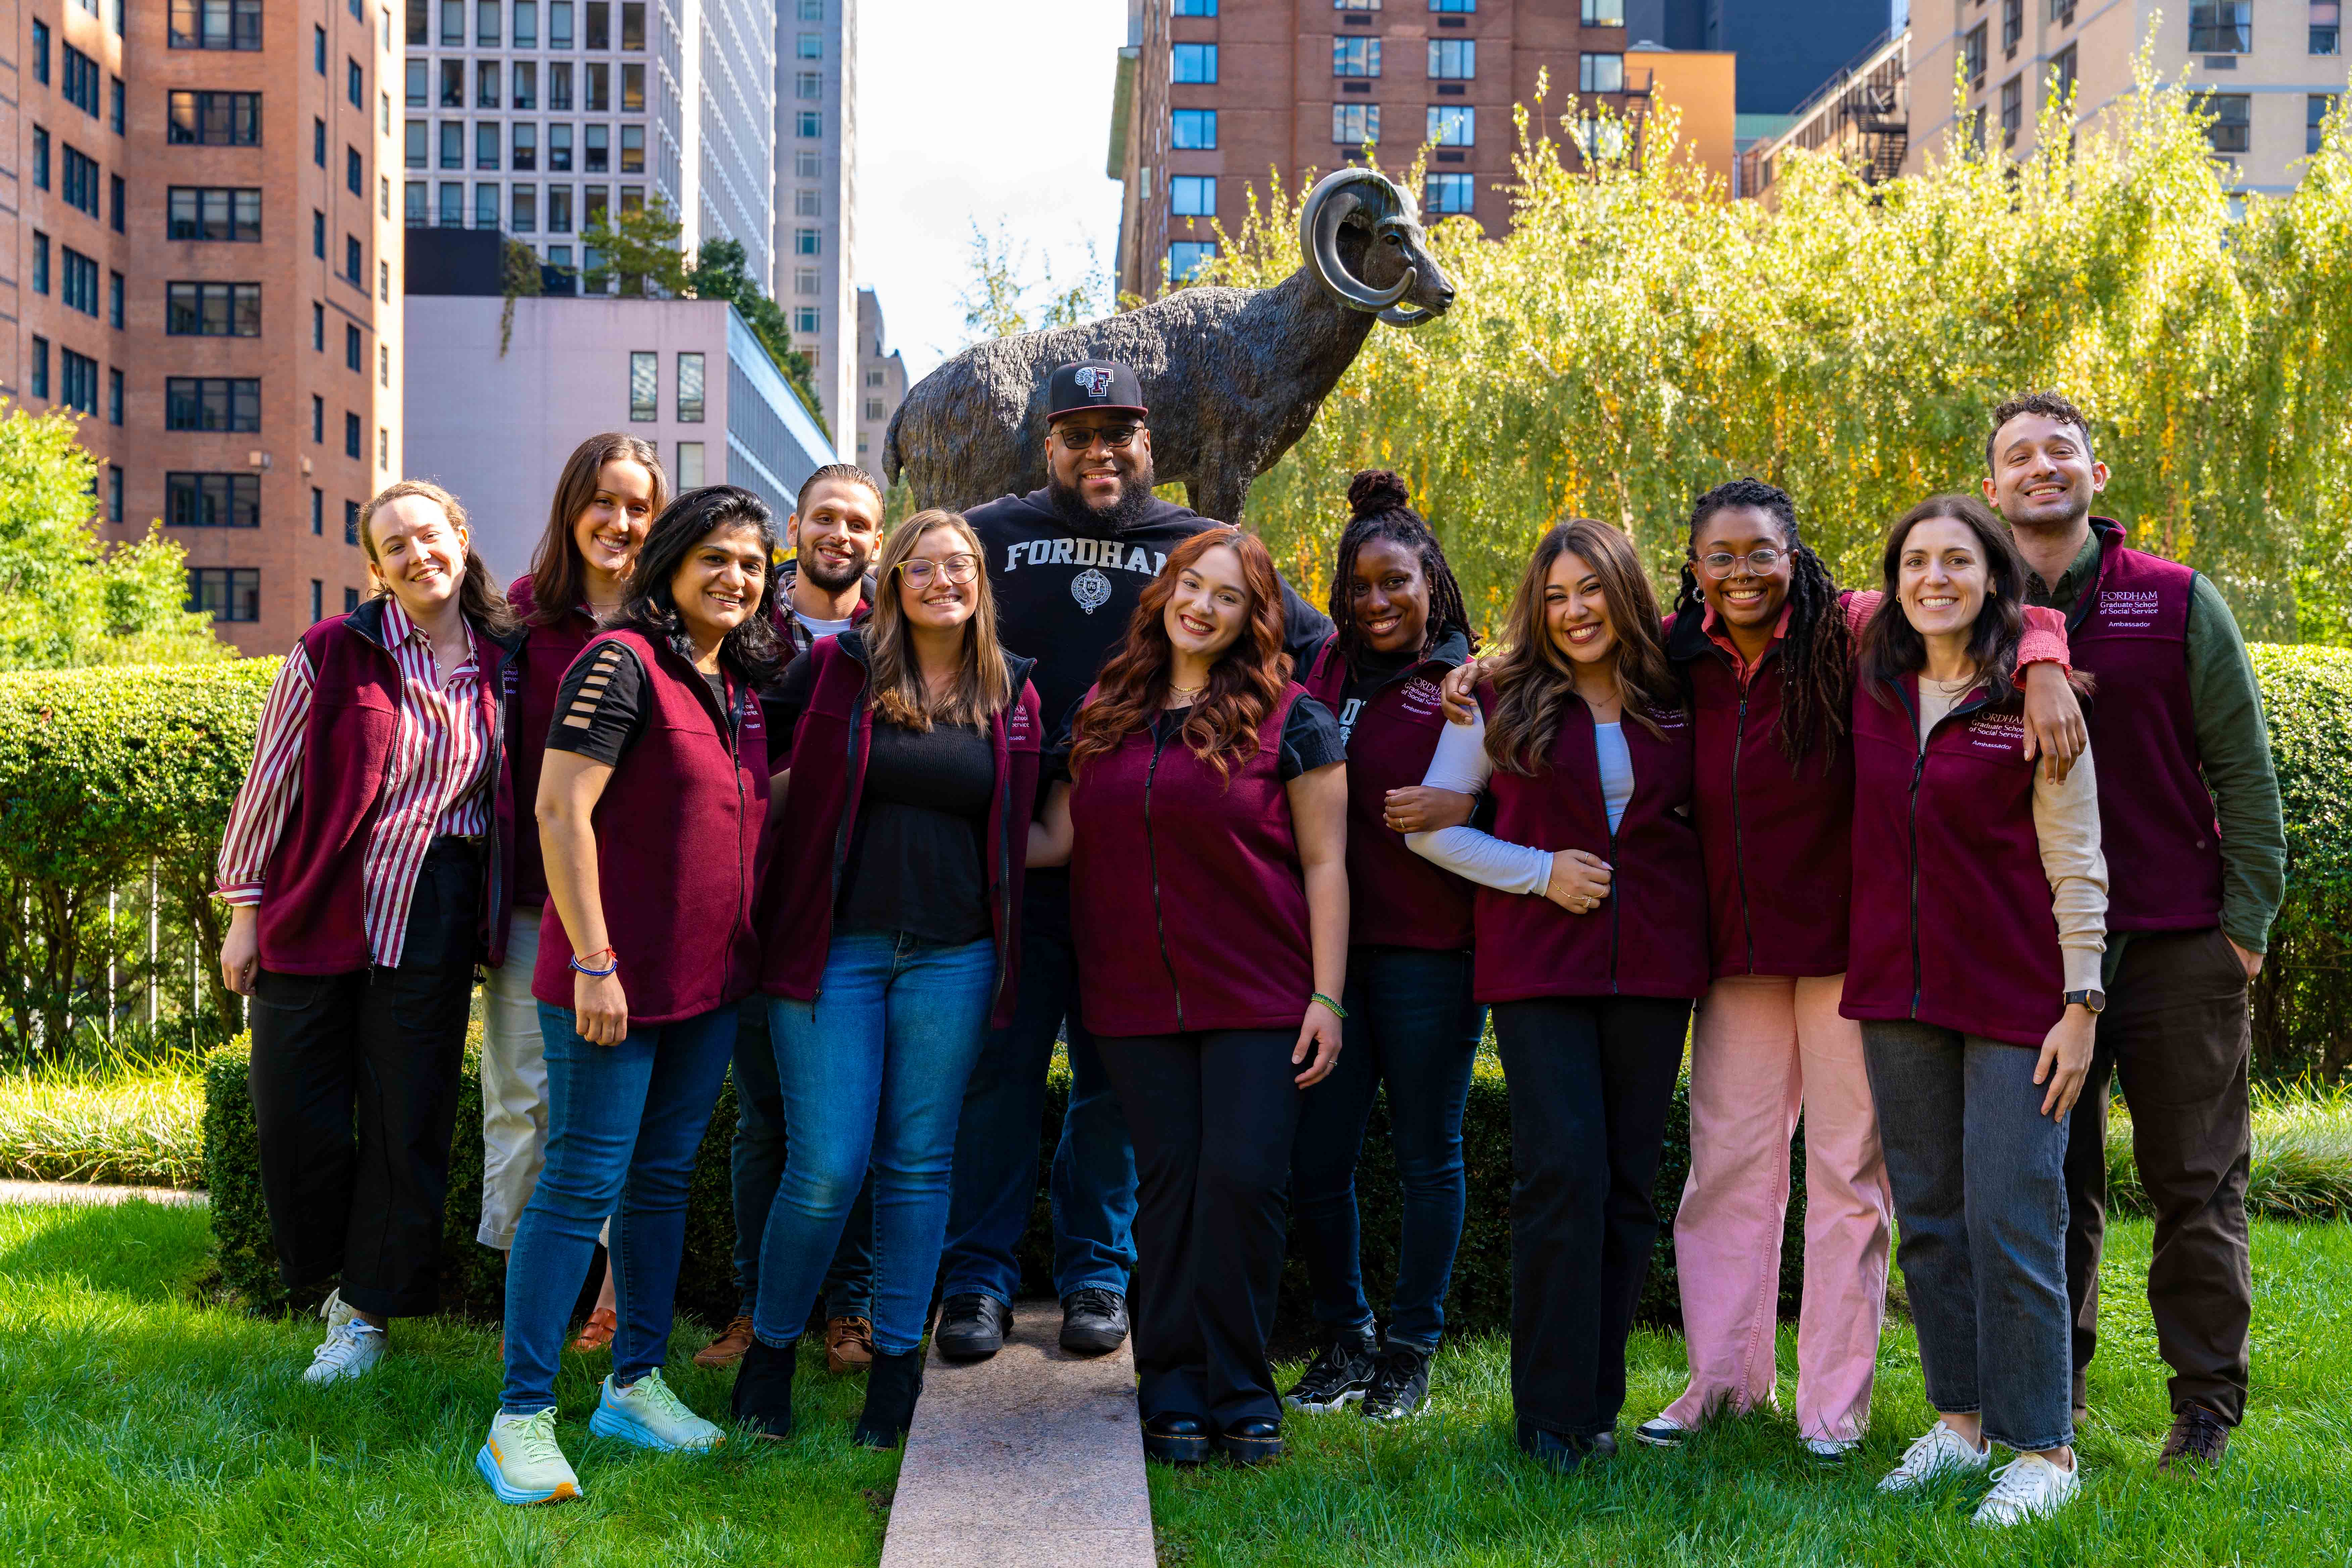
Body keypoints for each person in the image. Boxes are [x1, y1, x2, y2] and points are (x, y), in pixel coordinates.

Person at [1639, 479, 2082, 1460]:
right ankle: (1720, 1384)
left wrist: (2046, 662)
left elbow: (1995, 596)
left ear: (1793, 556)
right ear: (1696, 566)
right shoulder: (1678, 653)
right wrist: (1477, 672)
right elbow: (1561, 652)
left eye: (1763, 552)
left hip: (1851, 952)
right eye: (1722, 555)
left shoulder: (1851, 631)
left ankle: (1831, 1410)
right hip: (1736, 957)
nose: (1744, 572)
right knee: (1726, 1173)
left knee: (1848, 1179)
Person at [938, 359, 1330, 1363]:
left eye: (1121, 432)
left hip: (1144, 879)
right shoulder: (989, 535)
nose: (1099, 451)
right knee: (1001, 1078)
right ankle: (976, 1281)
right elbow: (903, 611)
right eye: (1077, 433)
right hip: (1025, 859)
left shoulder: (1192, 548)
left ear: (1151, 443)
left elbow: (1319, 641)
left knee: (1116, 1090)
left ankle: (1096, 1278)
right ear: (1050, 447)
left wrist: (1455, 667)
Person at [1982, 391, 2286, 1473]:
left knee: (2196, 1181)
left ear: (2096, 475)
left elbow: (2245, 777)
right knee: (2047, 1182)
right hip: (2034, 951)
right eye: (2019, 456)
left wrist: (2239, 934)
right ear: (1993, 489)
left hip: (2175, 944)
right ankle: (2045, 1395)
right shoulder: (1968, 602)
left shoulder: (2178, 600)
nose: (2041, 467)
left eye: (2061, 450)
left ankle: (2204, 1406)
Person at [476, 486, 779, 1507]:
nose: (737, 577)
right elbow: (560, 810)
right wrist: (595, 961)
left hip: (707, 987)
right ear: (669, 567)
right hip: (609, 982)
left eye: (752, 562)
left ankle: (634, 1385)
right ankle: (519, 1418)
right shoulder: (624, 664)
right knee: (580, 1184)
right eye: (716, 559)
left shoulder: (732, 683)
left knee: (659, 1182)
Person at [1026, 526, 1347, 1467]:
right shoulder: (1106, 709)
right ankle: (1168, 1387)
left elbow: (1327, 864)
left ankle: (1242, 1391)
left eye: (1230, 597)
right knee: (1166, 1196)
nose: (1203, 606)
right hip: (1132, 1000)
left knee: (1242, 1185)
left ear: (1256, 619)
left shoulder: (1294, 717)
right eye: (1192, 585)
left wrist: (1327, 998)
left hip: (1260, 995)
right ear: (1165, 591)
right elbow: (1059, 838)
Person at [730, 509, 1044, 1447]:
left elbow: (1035, 826)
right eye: (923, 567)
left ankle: (897, 1369)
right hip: (835, 950)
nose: (944, 581)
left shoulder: (1014, 693)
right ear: (894, 581)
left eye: (961, 567)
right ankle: (772, 1348)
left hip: (954, 955)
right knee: (824, 1168)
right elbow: (753, 768)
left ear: (981, 581)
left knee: (916, 1167)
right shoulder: (835, 671)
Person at [1406, 517, 1705, 1474]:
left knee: (1623, 1190)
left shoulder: (1677, 693)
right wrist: (1541, 873)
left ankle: (1597, 1405)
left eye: (1591, 589)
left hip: (1655, 971)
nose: (1574, 611)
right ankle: (1545, 1413)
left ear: (1627, 591)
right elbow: (1431, 831)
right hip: (1541, 969)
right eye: (1555, 595)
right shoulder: (1496, 696)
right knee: (1559, 1178)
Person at [217, 480, 523, 1385]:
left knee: (406, 1121)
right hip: (318, 901)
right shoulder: (333, 651)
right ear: (378, 569)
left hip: (434, 908)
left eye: (431, 535)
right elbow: (270, 782)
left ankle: (366, 1313)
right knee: (294, 1114)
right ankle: (331, 1277)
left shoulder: (511, 661)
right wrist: (244, 917)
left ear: (460, 539)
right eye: (396, 547)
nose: (418, 554)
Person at [1843, 494, 2105, 1526]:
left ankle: (2044, 1447)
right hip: (1897, 996)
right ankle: (1962, 1424)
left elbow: (2076, 859)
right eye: (1917, 561)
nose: (1935, 579)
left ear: (1995, 578)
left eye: (1959, 561)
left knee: (2012, 1218)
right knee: (1935, 1222)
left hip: (2016, 1000)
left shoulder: (2038, 701)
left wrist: (2081, 1000)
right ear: (1895, 580)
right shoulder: (1868, 676)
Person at [1281, 472, 1483, 1424]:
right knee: (1317, 1161)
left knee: (1426, 1154)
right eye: (1360, 586)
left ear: (1432, 581)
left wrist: (1466, 803)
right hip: (1326, 960)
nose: (1377, 602)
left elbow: (1518, 791)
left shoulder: (1467, 682)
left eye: (1395, 582)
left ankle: (1411, 1348)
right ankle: (1345, 1337)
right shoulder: (1319, 674)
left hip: (1429, 953)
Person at [697, 461, 886, 1378]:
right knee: (767, 1121)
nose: (840, 535)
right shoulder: (746, 634)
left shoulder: (892, 641)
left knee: (850, 1123)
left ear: (876, 542)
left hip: (856, 915)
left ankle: (850, 1311)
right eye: (825, 519)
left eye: (858, 523)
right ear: (796, 529)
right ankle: (752, 1307)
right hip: (758, 910)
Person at [483, 434, 666, 1355]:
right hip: (531, 902)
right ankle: (533, 1297)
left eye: (638, 506)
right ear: (571, 507)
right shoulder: (521, 621)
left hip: (633, 912)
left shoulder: (673, 623)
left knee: (614, 1118)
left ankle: (606, 1295)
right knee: (522, 1102)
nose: (621, 521)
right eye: (603, 500)